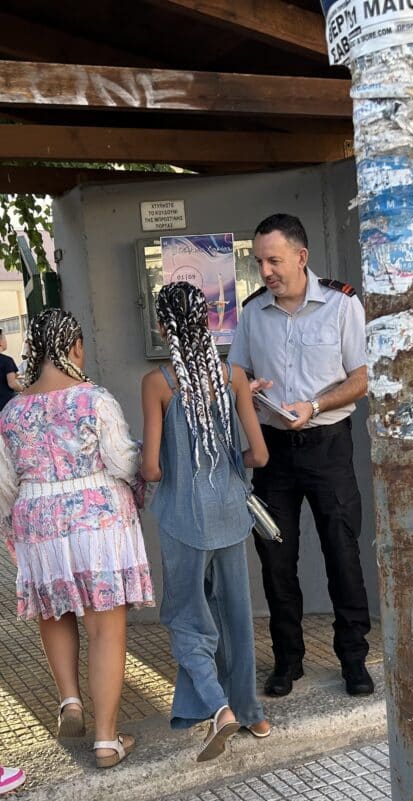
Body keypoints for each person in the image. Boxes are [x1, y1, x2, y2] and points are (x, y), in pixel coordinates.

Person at [228, 213, 373, 699]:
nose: (265, 270)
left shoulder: (341, 304)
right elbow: (236, 376)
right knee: (275, 559)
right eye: (259, 261)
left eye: (273, 260)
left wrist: (314, 405)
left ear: (301, 257)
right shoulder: (253, 313)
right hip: (274, 454)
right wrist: (247, 390)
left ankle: (353, 659)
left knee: (343, 554)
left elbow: (361, 378)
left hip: (328, 446)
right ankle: (288, 660)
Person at [0, 308, 153, 767]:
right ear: (76, 347)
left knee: (54, 611)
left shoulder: (12, 411)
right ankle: (106, 740)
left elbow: (4, 484)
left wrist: (13, 526)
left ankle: (69, 699)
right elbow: (122, 459)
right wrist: (139, 483)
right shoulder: (94, 399)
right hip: (97, 519)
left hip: (37, 519)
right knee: (106, 627)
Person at [142, 282, 271, 761]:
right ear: (207, 322)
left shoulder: (159, 383)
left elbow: (152, 469)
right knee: (236, 616)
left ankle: (220, 708)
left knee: (187, 618)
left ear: (163, 327)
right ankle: (252, 712)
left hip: (183, 519)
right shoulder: (233, 375)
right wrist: (229, 467)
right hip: (231, 513)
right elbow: (260, 454)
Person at [0, 329, 22, 411]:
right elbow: (12, 384)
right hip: (5, 406)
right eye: (4, 338)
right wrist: (23, 389)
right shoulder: (7, 360)